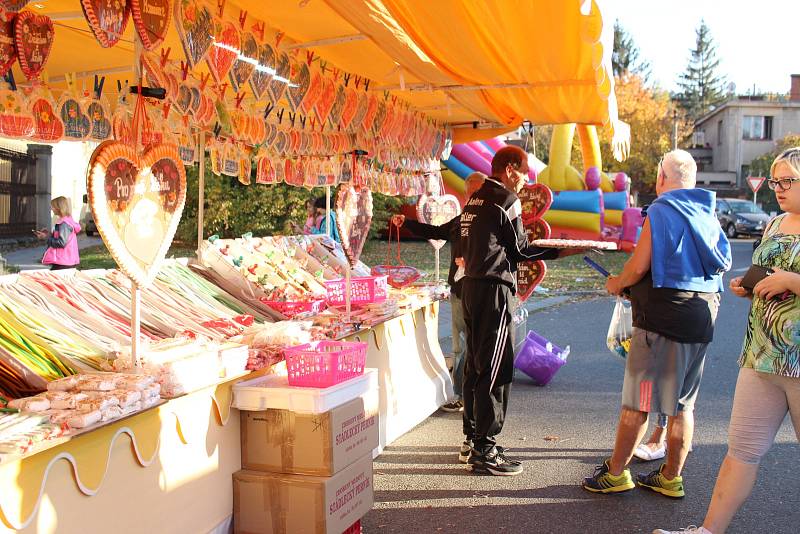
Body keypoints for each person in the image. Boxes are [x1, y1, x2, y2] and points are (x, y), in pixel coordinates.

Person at [654, 147, 800, 534]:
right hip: (761, 357)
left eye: (788, 180)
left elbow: (790, 280)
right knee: (741, 452)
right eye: (775, 181)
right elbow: (769, 272)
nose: (779, 188)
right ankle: (708, 531)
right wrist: (750, 286)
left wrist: (792, 282)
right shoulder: (774, 223)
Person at [582, 149, 731, 497]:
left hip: (662, 323)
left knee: (639, 401)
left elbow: (638, 266)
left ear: (662, 177)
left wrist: (617, 282)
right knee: (682, 405)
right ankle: (670, 478)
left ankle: (616, 473)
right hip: (703, 314)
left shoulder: (662, 209)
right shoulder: (706, 212)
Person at [459, 146, 582, 476]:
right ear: (511, 169)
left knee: (475, 364)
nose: (526, 181)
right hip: (493, 291)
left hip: (471, 287)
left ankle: (473, 438)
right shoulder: (506, 200)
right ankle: (485, 448)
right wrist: (565, 249)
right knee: (496, 369)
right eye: (525, 173)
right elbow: (522, 249)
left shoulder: (476, 198)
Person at [391, 172, 487, 416]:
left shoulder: (492, 220)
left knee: (480, 345)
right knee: (460, 347)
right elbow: (436, 232)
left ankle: (481, 395)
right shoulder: (459, 221)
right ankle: (460, 395)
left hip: (483, 293)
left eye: (481, 192)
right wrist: (408, 223)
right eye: (473, 192)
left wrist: (475, 263)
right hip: (458, 292)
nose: (476, 197)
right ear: (467, 194)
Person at [36, 196, 82, 270]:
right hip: (65, 260)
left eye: (53, 207)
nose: (51, 209)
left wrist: (46, 238)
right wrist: (49, 234)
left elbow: (61, 242)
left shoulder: (64, 224)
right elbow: (60, 237)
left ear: (59, 207)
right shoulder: (66, 221)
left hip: (63, 262)